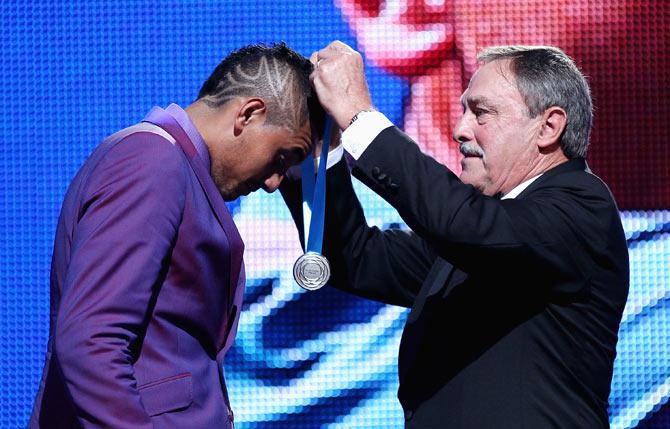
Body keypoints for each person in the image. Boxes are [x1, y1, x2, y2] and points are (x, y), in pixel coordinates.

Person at [281, 41, 629, 427]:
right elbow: (358, 258)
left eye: (481, 113)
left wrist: (359, 118)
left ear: (548, 126)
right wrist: (315, 152)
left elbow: (465, 226)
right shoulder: (482, 237)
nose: (459, 129)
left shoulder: (581, 207)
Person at [29, 42, 318, 428]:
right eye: (281, 158)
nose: (273, 182)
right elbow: (90, 342)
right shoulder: (152, 161)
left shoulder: (169, 167)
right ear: (248, 114)